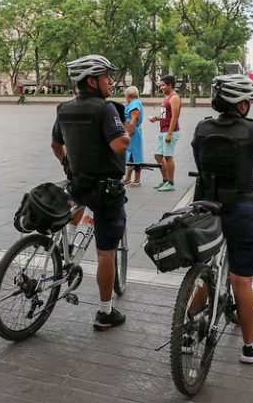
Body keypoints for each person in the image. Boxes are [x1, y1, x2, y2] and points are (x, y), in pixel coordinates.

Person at [191, 74, 253, 364]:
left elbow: (200, 164)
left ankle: (186, 327)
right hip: (241, 211)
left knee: (207, 266)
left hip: (207, 207)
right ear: (241, 104)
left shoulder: (202, 127)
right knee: (241, 279)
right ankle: (249, 346)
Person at [51, 54, 130, 331]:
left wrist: (67, 165)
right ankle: (105, 312)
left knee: (76, 206)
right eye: (107, 76)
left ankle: (68, 252)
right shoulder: (106, 109)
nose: (111, 82)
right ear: (92, 80)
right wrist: (128, 131)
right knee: (106, 253)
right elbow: (120, 145)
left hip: (78, 183)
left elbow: (55, 145)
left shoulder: (64, 108)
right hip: (106, 190)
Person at [148, 75, 181, 192]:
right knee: (158, 156)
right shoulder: (166, 97)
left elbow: (175, 116)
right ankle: (165, 180)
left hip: (169, 131)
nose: (161, 87)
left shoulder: (174, 98)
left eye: (163, 85)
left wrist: (170, 133)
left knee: (168, 157)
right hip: (163, 130)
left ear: (170, 85)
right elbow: (164, 115)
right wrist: (155, 118)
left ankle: (170, 183)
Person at [122, 86, 144, 187]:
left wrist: (129, 133)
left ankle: (137, 179)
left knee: (135, 156)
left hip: (133, 133)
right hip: (132, 131)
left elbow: (134, 118)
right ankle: (128, 178)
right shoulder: (133, 103)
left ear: (128, 95)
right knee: (130, 155)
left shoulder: (134, 104)